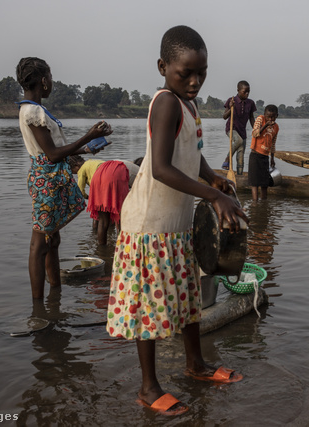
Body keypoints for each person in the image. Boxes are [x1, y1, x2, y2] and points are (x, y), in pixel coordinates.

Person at [106, 25, 248, 416]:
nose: (194, 80)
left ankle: (196, 364)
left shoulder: (188, 104)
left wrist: (212, 175)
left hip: (178, 224)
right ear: (163, 67)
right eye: (184, 72)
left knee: (187, 302)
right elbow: (160, 168)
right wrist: (214, 195)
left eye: (201, 72)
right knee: (146, 310)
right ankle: (149, 387)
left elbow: (191, 151)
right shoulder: (166, 102)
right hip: (149, 226)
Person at [16, 57, 112, 300]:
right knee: (39, 244)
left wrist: (86, 148)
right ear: (44, 81)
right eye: (51, 77)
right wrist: (87, 135)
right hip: (46, 180)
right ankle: (38, 306)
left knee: (52, 238)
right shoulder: (32, 111)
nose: (53, 83)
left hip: (50, 175)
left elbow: (54, 151)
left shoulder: (33, 109)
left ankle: (54, 296)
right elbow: (52, 154)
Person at [68, 156, 132, 246]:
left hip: (100, 183)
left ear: (76, 165)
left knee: (101, 219)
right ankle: (121, 244)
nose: (75, 173)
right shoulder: (94, 161)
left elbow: (80, 191)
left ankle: (101, 247)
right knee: (118, 214)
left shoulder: (82, 169)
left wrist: (90, 197)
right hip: (114, 176)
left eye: (73, 171)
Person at [220, 81, 256, 175]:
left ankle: (239, 175)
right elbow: (224, 116)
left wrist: (256, 129)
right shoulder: (231, 100)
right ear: (238, 90)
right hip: (232, 129)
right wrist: (231, 108)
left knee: (241, 155)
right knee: (238, 141)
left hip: (242, 131)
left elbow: (251, 117)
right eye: (245, 91)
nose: (247, 94)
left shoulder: (250, 103)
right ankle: (227, 158)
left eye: (248, 91)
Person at [248, 104, 279, 200]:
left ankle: (264, 204)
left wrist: (272, 158)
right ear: (265, 115)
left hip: (265, 157)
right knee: (255, 183)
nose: (270, 119)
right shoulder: (260, 119)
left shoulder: (276, 127)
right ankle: (255, 204)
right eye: (268, 116)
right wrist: (266, 125)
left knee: (265, 183)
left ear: (276, 116)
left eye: (272, 117)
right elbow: (255, 133)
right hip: (255, 155)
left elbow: (273, 144)